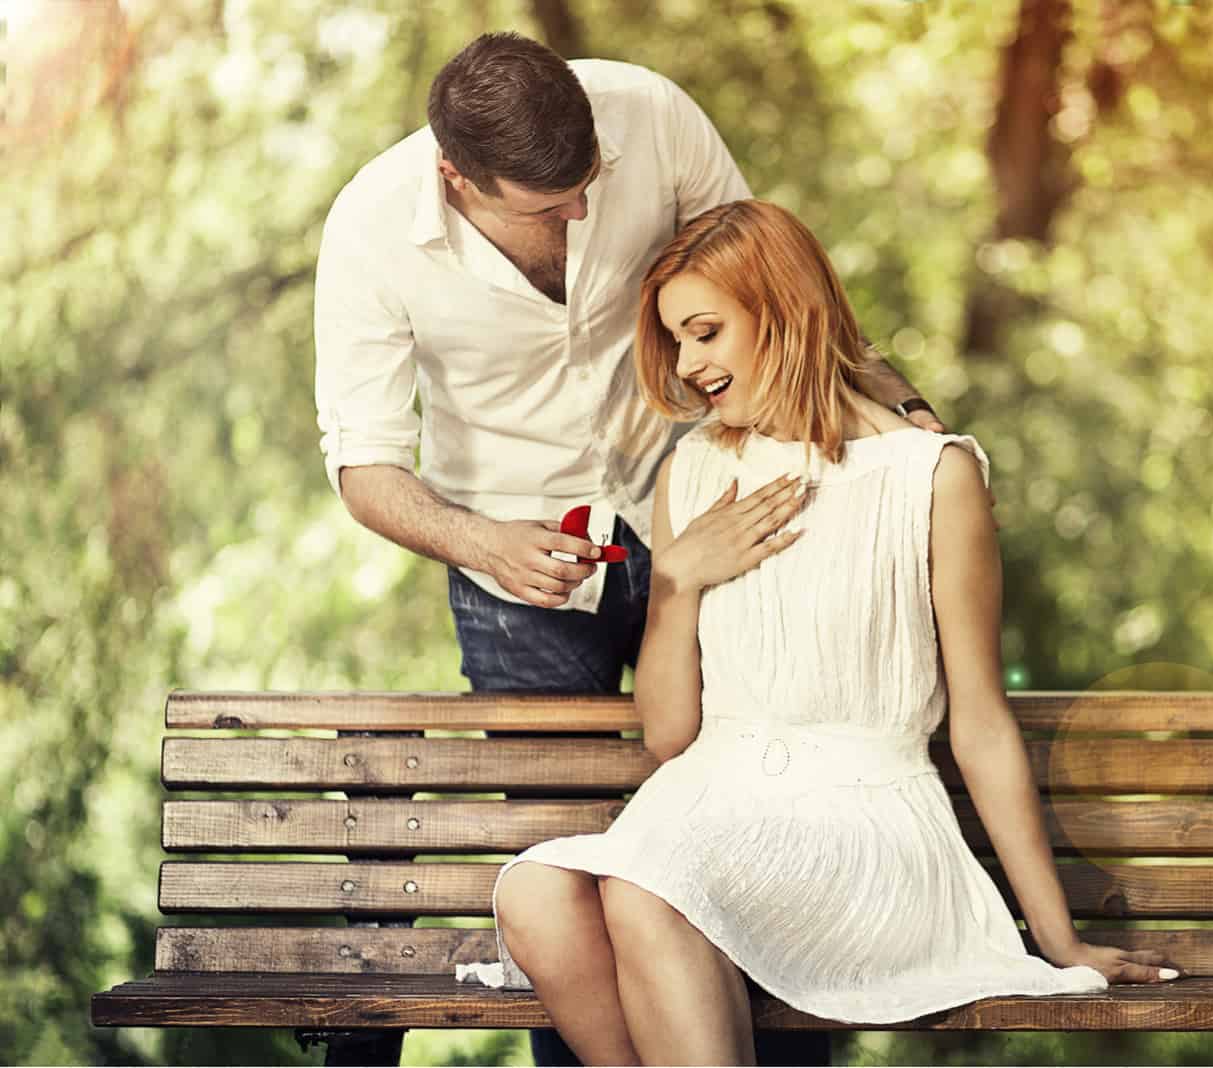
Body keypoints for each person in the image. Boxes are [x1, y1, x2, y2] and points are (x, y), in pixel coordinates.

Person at [313, 33, 934, 1066]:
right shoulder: (371, 233)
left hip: (693, 505)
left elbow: (769, 287)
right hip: (518, 577)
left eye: (589, 183)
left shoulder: (649, 113)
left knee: (742, 820)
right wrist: (481, 542)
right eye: (545, 204)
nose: (582, 216)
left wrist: (899, 405)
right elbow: (366, 469)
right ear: (454, 175)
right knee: (564, 869)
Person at [485, 200, 1183, 1066]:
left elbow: (980, 723)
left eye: (706, 332)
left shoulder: (932, 477)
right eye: (677, 340)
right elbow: (668, 735)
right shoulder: (695, 469)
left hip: (859, 826)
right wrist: (675, 580)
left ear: (781, 311)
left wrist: (1058, 938)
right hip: (702, 809)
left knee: (642, 893)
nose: (689, 364)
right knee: (539, 897)